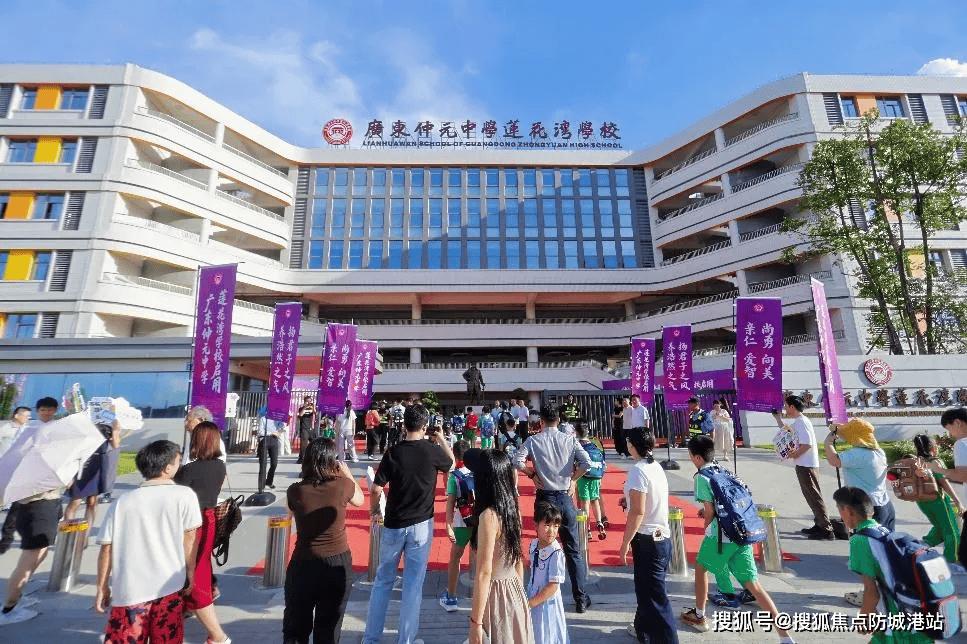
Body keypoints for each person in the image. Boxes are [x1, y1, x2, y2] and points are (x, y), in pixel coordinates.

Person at [680, 435, 796, 644]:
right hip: (741, 533)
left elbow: (709, 511)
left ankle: (699, 615)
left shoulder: (702, 477)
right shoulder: (723, 471)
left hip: (721, 536)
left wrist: (707, 527)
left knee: (700, 569)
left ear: (696, 457)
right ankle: (785, 636)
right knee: (754, 585)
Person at [95, 440, 203, 643]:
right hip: (169, 586)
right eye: (178, 461)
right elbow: (190, 538)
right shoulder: (185, 496)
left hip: (129, 591)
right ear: (167, 468)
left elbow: (107, 547)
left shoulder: (122, 502)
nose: (180, 465)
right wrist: (191, 571)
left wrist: (102, 586)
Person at [363, 404, 454, 644]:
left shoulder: (393, 452)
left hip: (394, 523)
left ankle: (371, 638)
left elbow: (376, 488)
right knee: (413, 586)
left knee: (383, 581)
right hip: (421, 525)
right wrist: (441, 438)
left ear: (404, 425)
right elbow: (452, 463)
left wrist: (374, 510)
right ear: (425, 426)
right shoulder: (432, 450)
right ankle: (406, 639)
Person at [284, 437, 364, 644]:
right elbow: (360, 500)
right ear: (332, 461)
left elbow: (289, 514)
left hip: (303, 562)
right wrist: (347, 473)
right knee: (328, 627)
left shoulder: (295, 490)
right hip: (336, 562)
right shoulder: (342, 486)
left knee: (295, 627)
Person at [514, 404, 593, 613]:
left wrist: (532, 474)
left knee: (542, 547)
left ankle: (538, 593)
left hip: (545, 496)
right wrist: (573, 480)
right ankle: (581, 598)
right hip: (565, 497)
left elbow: (517, 461)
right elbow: (587, 463)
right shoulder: (570, 440)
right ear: (558, 421)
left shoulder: (533, 440)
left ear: (541, 422)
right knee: (573, 550)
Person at [832, 486, 932, 644]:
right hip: (918, 621)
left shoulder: (860, 540)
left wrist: (864, 619)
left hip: (898, 632)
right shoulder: (884, 531)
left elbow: (872, 592)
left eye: (840, 510)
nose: (840, 516)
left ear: (848, 510)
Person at [0, 396, 61, 625]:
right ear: (38, 411)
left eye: (50, 410)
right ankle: (9, 608)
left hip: (47, 502)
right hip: (37, 504)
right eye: (43, 409)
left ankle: (17, 597)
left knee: (40, 552)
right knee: (29, 558)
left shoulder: (45, 434)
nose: (47, 413)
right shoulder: (32, 435)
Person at [618, 427, 678, 644]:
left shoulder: (638, 470)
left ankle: (668, 639)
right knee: (646, 591)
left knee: (655, 597)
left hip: (648, 540)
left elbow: (638, 511)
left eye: (628, 442)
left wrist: (625, 542)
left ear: (632, 445)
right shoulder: (655, 467)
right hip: (660, 538)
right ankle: (642, 630)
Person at [467, 448, 534, 644]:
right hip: (514, 589)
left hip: (495, 596)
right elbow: (517, 558)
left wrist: (475, 623)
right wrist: (520, 595)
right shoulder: (513, 510)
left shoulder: (489, 516)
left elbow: (484, 572)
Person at [174, 421, 230, 644]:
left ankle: (213, 628)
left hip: (191, 522)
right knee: (202, 562)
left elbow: (177, 494)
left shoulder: (189, 470)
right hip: (210, 518)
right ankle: (188, 604)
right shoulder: (220, 466)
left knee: (191, 566)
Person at [774, 395, 833, 540]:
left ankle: (826, 529)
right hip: (803, 465)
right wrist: (777, 419)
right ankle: (819, 524)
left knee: (814, 496)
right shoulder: (798, 422)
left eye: (786, 406)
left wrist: (794, 454)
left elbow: (807, 444)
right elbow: (786, 433)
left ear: (792, 406)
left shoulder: (803, 422)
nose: (785, 408)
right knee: (810, 496)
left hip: (807, 465)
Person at [825, 418, 894, 530]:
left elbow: (834, 461)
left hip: (867, 508)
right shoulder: (879, 452)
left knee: (867, 540)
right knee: (885, 539)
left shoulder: (857, 454)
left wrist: (828, 443)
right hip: (885, 505)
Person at [65, 420, 121, 545]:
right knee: (75, 502)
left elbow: (115, 445)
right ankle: (69, 535)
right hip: (81, 466)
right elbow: (71, 450)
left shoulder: (107, 426)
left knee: (92, 502)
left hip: (98, 465)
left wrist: (115, 429)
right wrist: (69, 476)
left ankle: (84, 536)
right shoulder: (83, 425)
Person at [912, 434, 961, 564]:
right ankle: (952, 560)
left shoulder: (916, 461)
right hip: (938, 501)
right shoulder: (935, 462)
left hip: (922, 501)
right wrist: (957, 501)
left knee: (939, 526)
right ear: (932, 447)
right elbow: (944, 483)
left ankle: (921, 548)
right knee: (950, 529)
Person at [929, 407, 967, 568]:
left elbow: (963, 475)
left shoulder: (962, 444)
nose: (950, 434)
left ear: (957, 423)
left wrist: (940, 470)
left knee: (964, 555)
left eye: (949, 428)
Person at [440, 440, 474, 612]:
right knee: (480, 559)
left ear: (454, 454)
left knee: (455, 558)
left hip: (462, 522)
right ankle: (481, 598)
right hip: (479, 522)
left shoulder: (454, 476)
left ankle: (452, 596)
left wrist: (448, 525)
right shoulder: (478, 471)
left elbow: (450, 502)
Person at [0, 406, 34, 555]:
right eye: (26, 416)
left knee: (16, 506)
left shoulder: (28, 431)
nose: (28, 419)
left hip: (19, 472)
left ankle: (6, 539)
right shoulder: (4, 428)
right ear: (16, 416)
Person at [574, 422, 608, 540]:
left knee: (583, 503)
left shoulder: (577, 445)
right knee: (594, 500)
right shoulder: (594, 444)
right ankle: (599, 522)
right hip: (596, 476)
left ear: (577, 432)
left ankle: (586, 528)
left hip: (582, 476)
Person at [258, 406, 285, 490]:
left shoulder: (277, 419)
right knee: (263, 464)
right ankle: (261, 487)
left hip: (274, 440)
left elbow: (281, 428)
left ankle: (269, 482)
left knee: (274, 463)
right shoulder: (263, 419)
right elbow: (260, 432)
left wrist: (282, 428)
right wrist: (271, 433)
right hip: (265, 440)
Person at [296, 396, 316, 465]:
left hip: (310, 427)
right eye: (307, 401)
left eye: (310, 401)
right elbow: (300, 415)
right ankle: (302, 457)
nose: (308, 402)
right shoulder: (301, 408)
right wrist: (305, 407)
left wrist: (313, 407)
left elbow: (315, 414)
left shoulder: (311, 408)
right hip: (304, 427)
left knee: (312, 442)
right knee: (304, 443)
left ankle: (311, 457)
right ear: (304, 401)